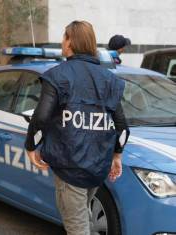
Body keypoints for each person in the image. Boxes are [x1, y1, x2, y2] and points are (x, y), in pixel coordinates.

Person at [25, 20, 130, 235]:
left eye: (64, 37)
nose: (61, 42)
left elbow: (41, 118)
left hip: (69, 167)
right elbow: (123, 127)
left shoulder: (57, 75)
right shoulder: (109, 79)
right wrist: (116, 156)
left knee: (77, 228)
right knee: (85, 221)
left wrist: (31, 146)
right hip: (97, 167)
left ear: (71, 41)